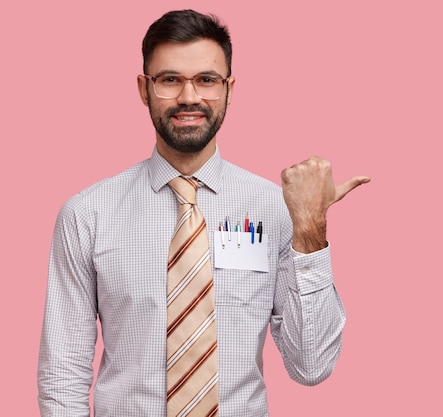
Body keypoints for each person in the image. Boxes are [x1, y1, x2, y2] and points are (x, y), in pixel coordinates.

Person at [37, 8, 369, 417]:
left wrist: (311, 229)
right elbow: (63, 372)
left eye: (207, 80)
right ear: (144, 89)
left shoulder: (277, 210)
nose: (189, 97)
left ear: (229, 89)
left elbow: (312, 366)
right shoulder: (87, 214)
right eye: (170, 80)